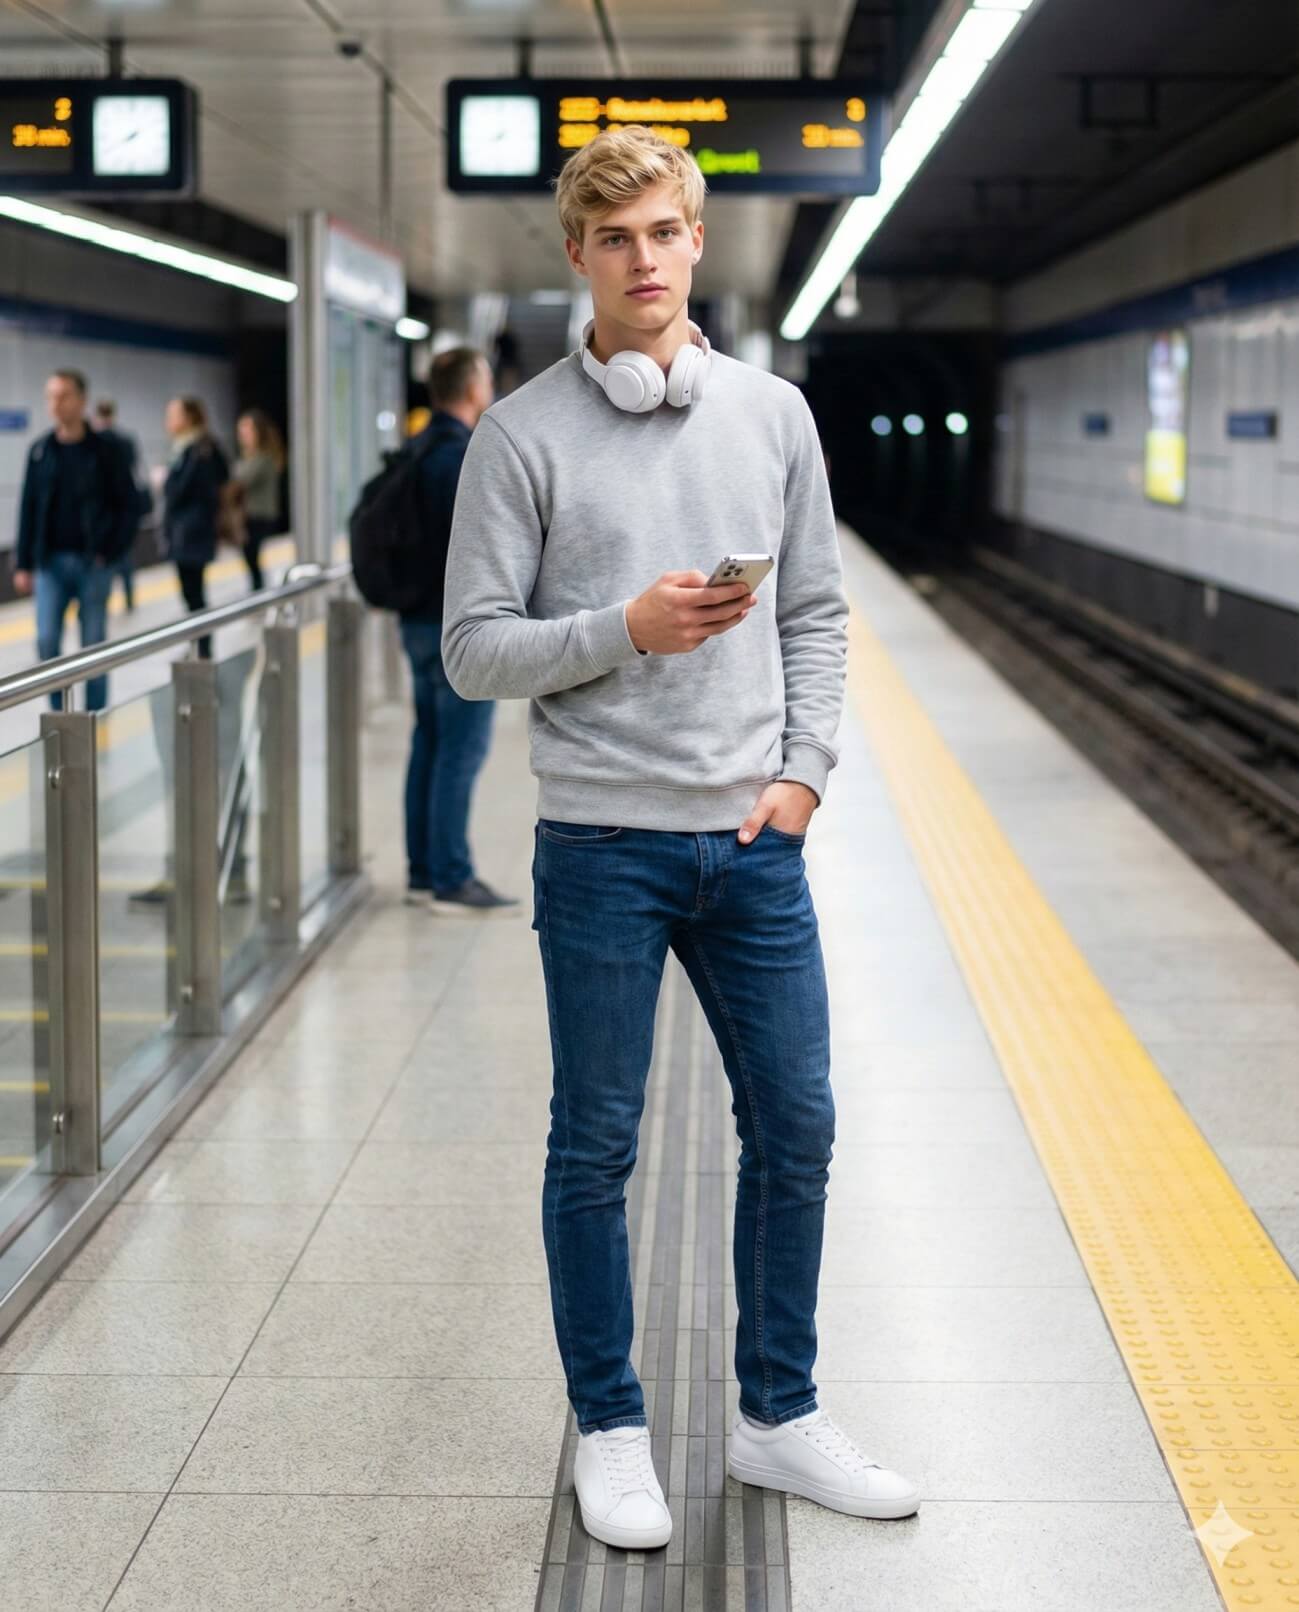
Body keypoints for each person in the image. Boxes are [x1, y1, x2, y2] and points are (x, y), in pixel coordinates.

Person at [441, 125, 920, 1553]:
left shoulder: (772, 418)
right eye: (613, 241)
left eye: (662, 232)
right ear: (577, 259)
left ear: (694, 241)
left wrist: (804, 775)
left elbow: (819, 613)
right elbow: (471, 652)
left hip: (751, 845)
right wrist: (620, 632)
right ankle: (609, 1428)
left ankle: (776, 1415)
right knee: (593, 1147)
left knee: (800, 1125)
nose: (641, 261)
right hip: (597, 845)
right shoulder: (519, 435)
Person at [400, 348, 516, 914]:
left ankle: (422, 870)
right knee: (460, 750)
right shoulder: (462, 456)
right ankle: (450, 876)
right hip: (454, 626)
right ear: (472, 389)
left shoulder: (417, 447)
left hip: (415, 621)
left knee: (429, 741)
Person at [14, 369, 135, 711]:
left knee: (93, 642)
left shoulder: (106, 451)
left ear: (82, 401)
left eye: (64, 395)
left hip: (93, 562)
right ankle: (58, 713)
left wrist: (111, 552)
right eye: (51, 396)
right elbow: (28, 509)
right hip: (50, 563)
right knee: (47, 640)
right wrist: (24, 563)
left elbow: (128, 504)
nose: (56, 403)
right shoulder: (41, 450)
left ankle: (95, 714)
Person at [162, 396, 227, 660]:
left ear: (188, 418)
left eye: (173, 415)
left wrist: (165, 481)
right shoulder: (189, 448)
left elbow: (179, 491)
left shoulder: (198, 449)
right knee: (192, 594)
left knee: (195, 594)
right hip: (188, 532)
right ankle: (198, 643)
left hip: (193, 533)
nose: (168, 421)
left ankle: (203, 647)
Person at [92, 398, 148, 612]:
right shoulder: (126, 440)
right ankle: (129, 598)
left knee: (104, 560)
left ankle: (102, 601)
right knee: (125, 556)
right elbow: (134, 470)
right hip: (125, 508)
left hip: (103, 511)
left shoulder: (94, 441)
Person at [232, 408, 285, 592]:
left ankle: (260, 592)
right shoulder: (250, 457)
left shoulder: (263, 458)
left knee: (254, 559)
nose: (243, 436)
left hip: (258, 515)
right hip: (253, 515)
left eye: (247, 431)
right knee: (251, 560)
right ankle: (258, 590)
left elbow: (241, 481)